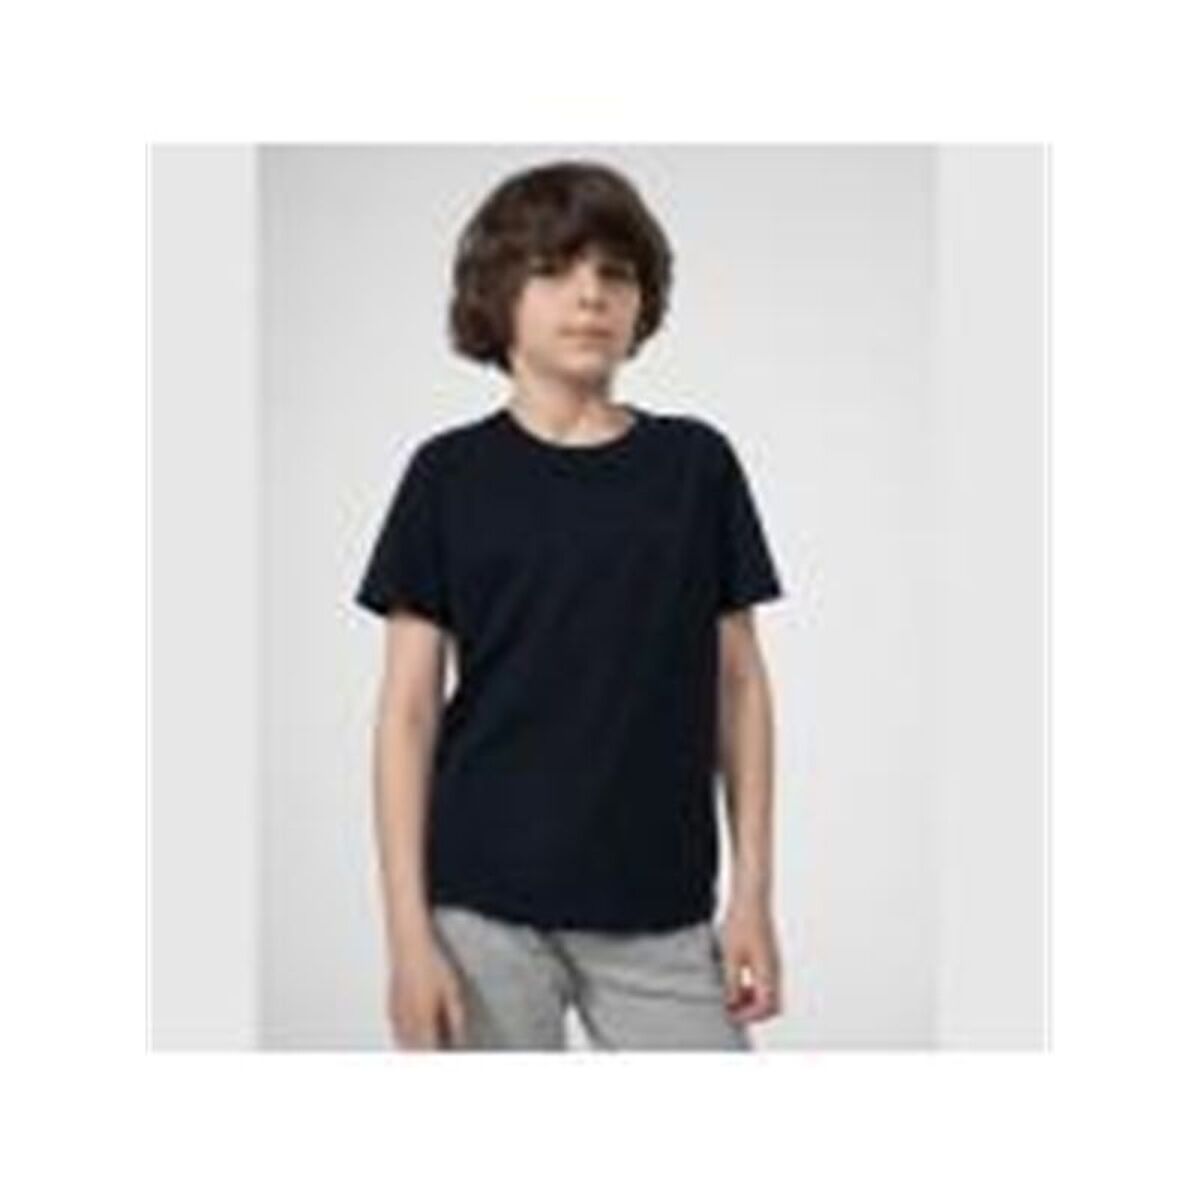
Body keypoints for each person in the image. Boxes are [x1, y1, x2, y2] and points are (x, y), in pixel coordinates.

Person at [354, 159, 786, 1051]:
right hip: (479, 908)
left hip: (659, 905)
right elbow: (406, 714)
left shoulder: (695, 467)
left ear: (642, 302)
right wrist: (406, 938)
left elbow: (739, 687)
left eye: (615, 273)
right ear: (496, 297)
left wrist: (752, 896)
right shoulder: (447, 477)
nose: (590, 295)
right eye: (554, 270)